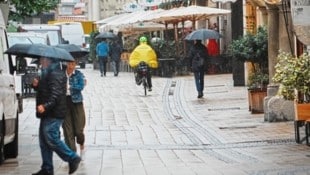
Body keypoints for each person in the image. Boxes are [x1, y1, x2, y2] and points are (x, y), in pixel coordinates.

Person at [32, 57, 81, 175]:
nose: (40, 62)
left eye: (42, 60)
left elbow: (56, 94)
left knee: (51, 138)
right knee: (44, 141)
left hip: (54, 112)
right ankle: (47, 168)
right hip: (47, 113)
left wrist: (45, 106)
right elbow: (46, 90)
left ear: (49, 61)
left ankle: (72, 157)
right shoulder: (47, 73)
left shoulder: (55, 74)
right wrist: (36, 86)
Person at [62, 60, 86, 161]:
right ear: (65, 64)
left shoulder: (79, 74)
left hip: (76, 102)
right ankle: (72, 154)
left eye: (73, 64)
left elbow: (81, 86)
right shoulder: (60, 75)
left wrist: (69, 87)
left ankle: (81, 142)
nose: (71, 66)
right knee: (68, 130)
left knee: (79, 129)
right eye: (69, 64)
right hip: (63, 103)